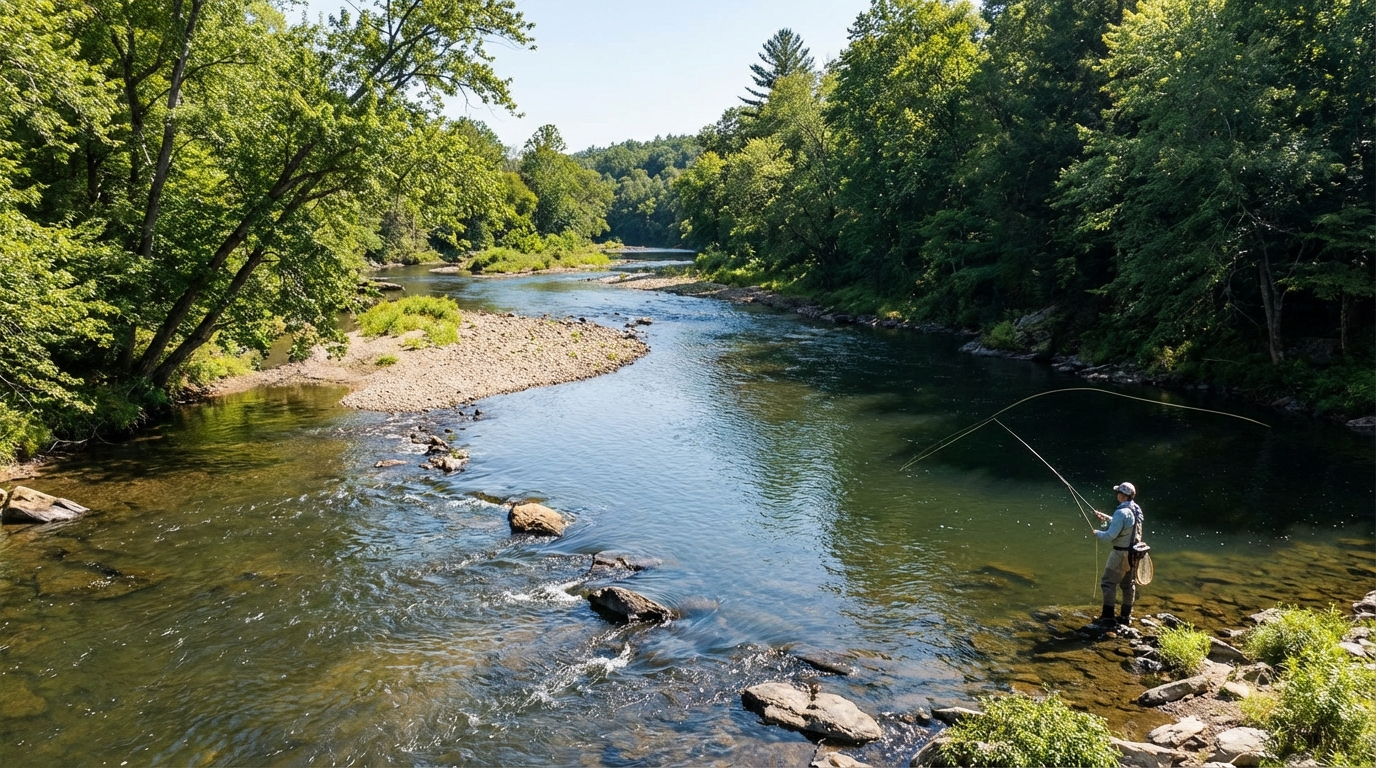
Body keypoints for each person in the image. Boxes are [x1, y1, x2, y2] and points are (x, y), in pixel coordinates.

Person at [1093, 481, 1142, 625]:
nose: (1117, 495)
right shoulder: (1135, 509)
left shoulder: (1121, 512)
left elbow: (1109, 536)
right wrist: (1107, 518)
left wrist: (1097, 533)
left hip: (1120, 554)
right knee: (1128, 585)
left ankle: (1108, 617)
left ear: (1122, 495)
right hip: (1134, 554)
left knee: (1108, 583)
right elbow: (1125, 526)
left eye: (1118, 493)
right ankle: (1126, 616)